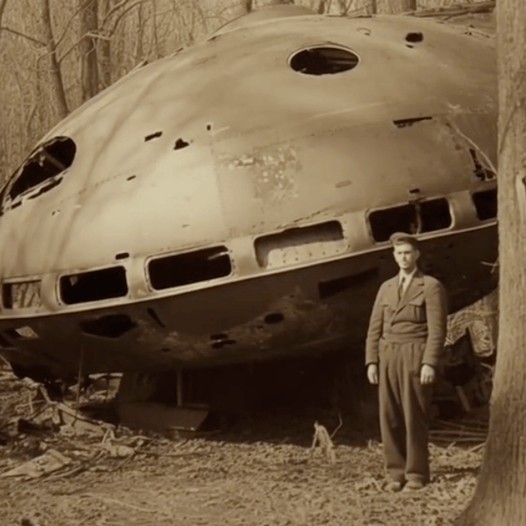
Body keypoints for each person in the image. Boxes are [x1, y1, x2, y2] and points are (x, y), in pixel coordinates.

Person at [365, 232, 447, 492]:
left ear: (417, 255)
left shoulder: (430, 286)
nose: (404, 258)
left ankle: (416, 474)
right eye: (399, 253)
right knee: (389, 416)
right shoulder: (386, 288)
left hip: (415, 354)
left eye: (408, 253)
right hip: (388, 355)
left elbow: (437, 330)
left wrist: (429, 362)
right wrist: (371, 361)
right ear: (394, 256)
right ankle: (395, 473)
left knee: (414, 416)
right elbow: (374, 328)